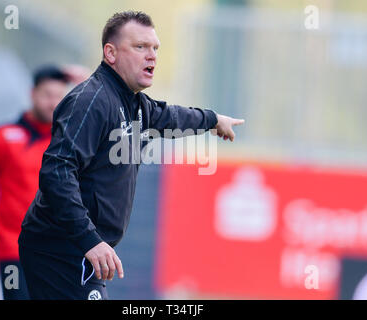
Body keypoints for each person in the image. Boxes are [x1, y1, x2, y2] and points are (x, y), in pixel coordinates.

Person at [18, 11, 245, 300]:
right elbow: (57, 172)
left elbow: (170, 116)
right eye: (140, 47)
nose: (151, 56)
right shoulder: (92, 101)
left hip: (82, 252)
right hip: (60, 249)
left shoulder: (133, 101)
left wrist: (213, 119)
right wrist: (89, 240)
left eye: (155, 48)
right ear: (110, 53)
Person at [0, 64, 90, 300]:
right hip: (13, 250)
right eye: (47, 95)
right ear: (32, 93)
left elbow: (110, 122)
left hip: (61, 251)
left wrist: (87, 83)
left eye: (59, 96)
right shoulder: (3, 138)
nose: (52, 102)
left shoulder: (73, 141)